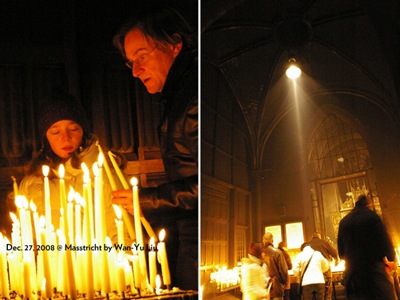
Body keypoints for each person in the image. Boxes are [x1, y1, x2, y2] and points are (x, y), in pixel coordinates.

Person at [111, 6, 198, 290]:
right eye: (130, 62)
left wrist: (146, 200)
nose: (135, 71)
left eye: (142, 56)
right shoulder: (177, 96)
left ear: (175, 44)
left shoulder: (193, 96)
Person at [19, 89, 125, 244]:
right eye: (55, 132)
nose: (65, 137)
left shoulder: (106, 177)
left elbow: (121, 235)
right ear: (45, 138)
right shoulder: (32, 182)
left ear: (84, 131)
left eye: (74, 129)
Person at [337, 194, 397, 300]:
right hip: (373, 275)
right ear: (368, 204)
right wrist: (390, 258)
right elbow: (387, 248)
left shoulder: (344, 222)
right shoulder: (373, 217)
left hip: (353, 277)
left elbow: (341, 253)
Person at [308, 232, 339, 300]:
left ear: (312, 237)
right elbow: (334, 253)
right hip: (325, 272)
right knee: (327, 293)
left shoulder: (307, 245)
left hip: (311, 275)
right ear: (319, 236)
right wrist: (337, 260)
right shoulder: (324, 243)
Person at [263, 232, 289, 300]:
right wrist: (283, 282)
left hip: (263, 289)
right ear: (272, 240)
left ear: (263, 240)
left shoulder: (260, 253)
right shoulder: (277, 252)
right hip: (276, 287)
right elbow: (283, 270)